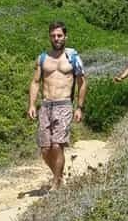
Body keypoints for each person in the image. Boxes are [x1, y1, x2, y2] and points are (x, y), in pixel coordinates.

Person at [28, 21, 87, 190]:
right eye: (53, 35)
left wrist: (79, 107)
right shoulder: (43, 58)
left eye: (59, 35)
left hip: (64, 105)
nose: (56, 38)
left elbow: (82, 83)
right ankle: (58, 176)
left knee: (57, 145)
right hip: (46, 105)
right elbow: (35, 82)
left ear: (65, 37)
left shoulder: (73, 57)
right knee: (45, 149)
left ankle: (56, 184)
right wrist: (32, 104)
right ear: (49, 37)